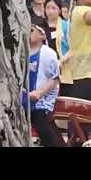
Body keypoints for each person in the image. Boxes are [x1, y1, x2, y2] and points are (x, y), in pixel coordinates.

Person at [27, 17, 66, 147]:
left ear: (42, 35)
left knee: (43, 126)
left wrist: (39, 93)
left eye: (31, 30)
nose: (27, 32)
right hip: (24, 98)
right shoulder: (21, 52)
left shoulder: (48, 53)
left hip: (41, 101)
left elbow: (55, 78)